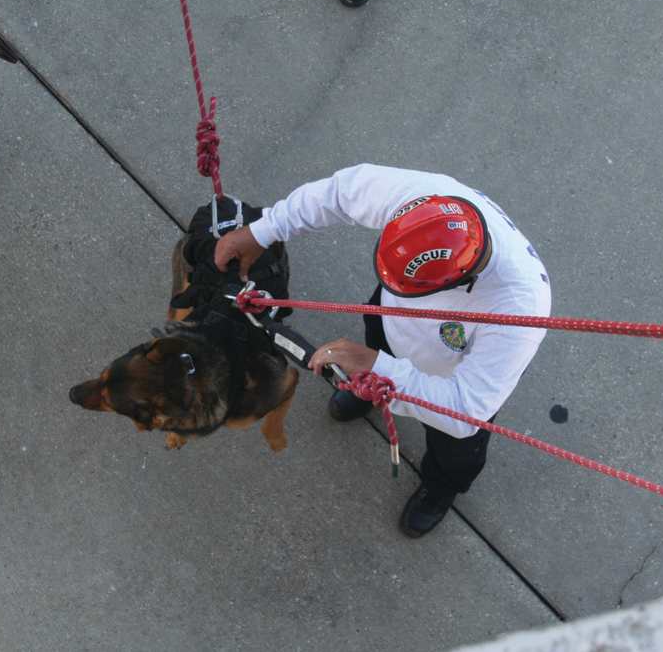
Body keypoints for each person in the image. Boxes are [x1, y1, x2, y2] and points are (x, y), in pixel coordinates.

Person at [215, 164, 552, 538]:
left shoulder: (519, 308)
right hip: (387, 322)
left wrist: (378, 368)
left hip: (446, 374)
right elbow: (342, 192)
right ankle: (372, 395)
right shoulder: (427, 199)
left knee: (456, 448)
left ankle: (440, 487)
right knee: (373, 335)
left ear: (456, 282)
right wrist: (264, 231)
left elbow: (465, 409)